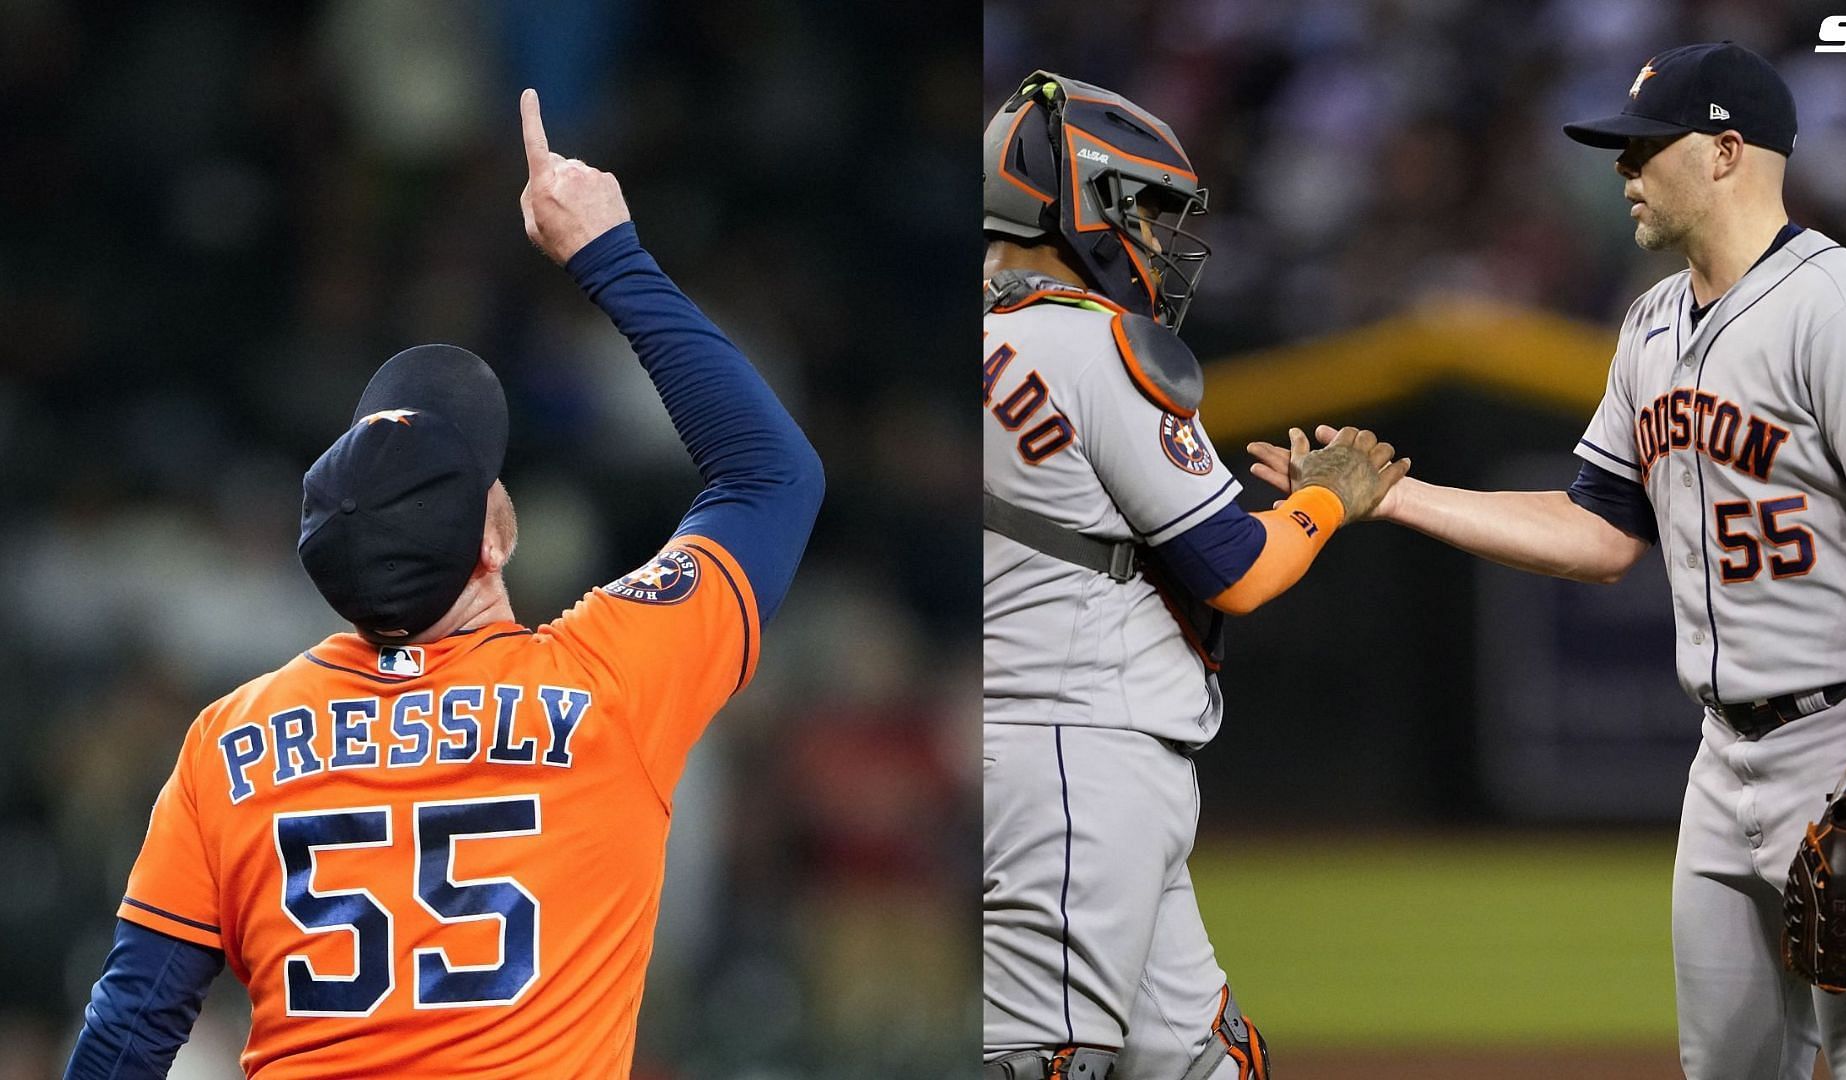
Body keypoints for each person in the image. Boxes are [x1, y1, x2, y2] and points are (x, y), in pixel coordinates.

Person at [62, 88, 823, 1079]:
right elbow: (771, 472)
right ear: (497, 533)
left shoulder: (230, 744)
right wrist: (610, 254)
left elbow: (131, 1028)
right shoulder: (603, 691)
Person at [1252, 42, 1846, 1078]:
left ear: (1729, 152)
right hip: (1720, 757)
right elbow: (1603, 532)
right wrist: (1394, 496)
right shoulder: (1651, 325)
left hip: (1845, 741)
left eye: (1648, 148)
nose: (1624, 170)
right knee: (1724, 1066)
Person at [981, 71, 1408, 1080]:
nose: (1162, 239)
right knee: (1044, 1060)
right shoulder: (1095, 342)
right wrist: (1328, 497)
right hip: (1075, 752)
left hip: (1055, 745)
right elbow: (1238, 568)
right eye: (1145, 208)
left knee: (1203, 1064)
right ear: (1079, 195)